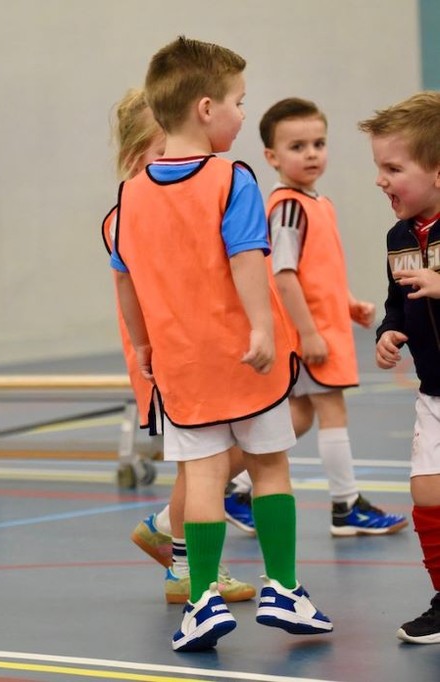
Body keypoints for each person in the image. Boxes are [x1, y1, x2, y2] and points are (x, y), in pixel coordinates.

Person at [110, 36, 332, 651]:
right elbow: (247, 258)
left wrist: (144, 345)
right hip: (244, 358)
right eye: (238, 101)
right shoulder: (230, 178)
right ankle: (283, 588)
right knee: (269, 468)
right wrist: (262, 327)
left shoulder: (128, 198)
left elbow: (125, 282)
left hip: (181, 367)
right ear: (206, 108)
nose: (241, 113)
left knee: (202, 477)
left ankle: (202, 600)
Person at [220, 98, 407, 538]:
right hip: (310, 334)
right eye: (297, 146)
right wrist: (309, 333)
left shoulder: (318, 202)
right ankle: (346, 506)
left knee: (298, 417)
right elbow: (283, 276)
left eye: (318, 143)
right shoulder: (287, 207)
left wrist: (347, 302)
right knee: (332, 410)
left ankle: (236, 487)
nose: (311, 153)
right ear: (271, 157)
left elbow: (316, 271)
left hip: (325, 327)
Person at [105, 89, 255, 606]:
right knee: (200, 463)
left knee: (218, 456)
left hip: (201, 347)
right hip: (165, 355)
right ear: (135, 158)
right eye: (160, 148)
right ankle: (185, 567)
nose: (173, 157)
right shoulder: (128, 211)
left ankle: (166, 526)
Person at [361, 90, 440, 644]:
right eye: (378, 168)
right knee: (428, 496)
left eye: (393, 167)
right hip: (434, 391)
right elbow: (399, 298)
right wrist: (393, 329)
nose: (381, 180)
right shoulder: (398, 237)